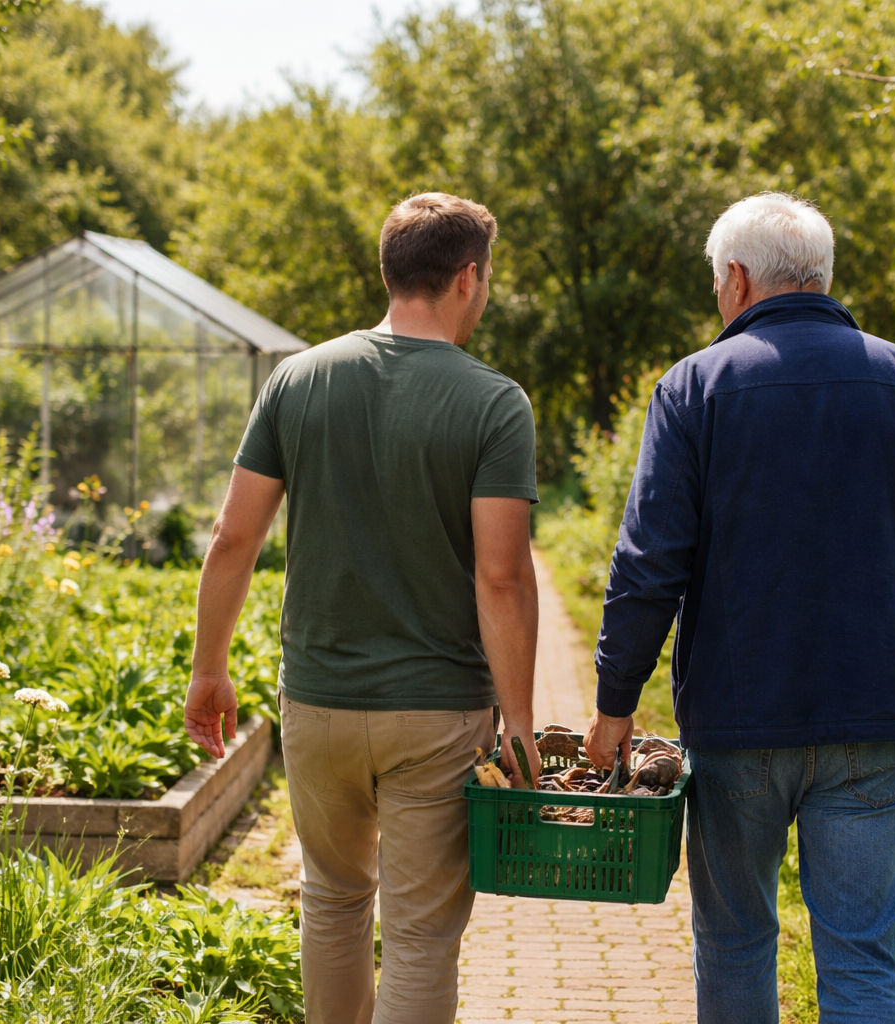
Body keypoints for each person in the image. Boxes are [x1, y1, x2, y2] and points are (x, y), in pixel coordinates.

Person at [583, 192, 895, 1023]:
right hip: (879, 718)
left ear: (737, 279)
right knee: (860, 955)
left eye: (716, 282)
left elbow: (648, 565)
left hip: (739, 725)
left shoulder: (694, 388)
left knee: (738, 942)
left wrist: (614, 705)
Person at [183, 191, 540, 1024]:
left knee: (334, 901)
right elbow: (501, 577)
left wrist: (210, 667)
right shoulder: (494, 403)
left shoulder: (296, 380)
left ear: (389, 271)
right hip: (436, 715)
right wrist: (518, 718)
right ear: (467, 278)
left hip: (318, 702)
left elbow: (233, 539)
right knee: (419, 935)